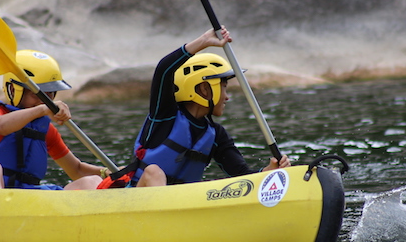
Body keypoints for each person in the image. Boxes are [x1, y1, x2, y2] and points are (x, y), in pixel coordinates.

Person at [115, 26, 289, 188]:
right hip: (137, 196)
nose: (227, 97)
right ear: (205, 89)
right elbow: (164, 70)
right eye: (224, 87)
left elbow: (242, 176)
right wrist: (204, 41)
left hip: (180, 205)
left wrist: (268, 172)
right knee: (154, 172)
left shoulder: (216, 135)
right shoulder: (165, 115)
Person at [0, 50, 105, 190]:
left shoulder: (44, 129)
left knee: (93, 181)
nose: (45, 102)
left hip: (30, 195)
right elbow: (0, 126)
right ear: (13, 89)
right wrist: (43, 109)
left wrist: (108, 173)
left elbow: (76, 170)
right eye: (38, 95)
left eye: (50, 95)